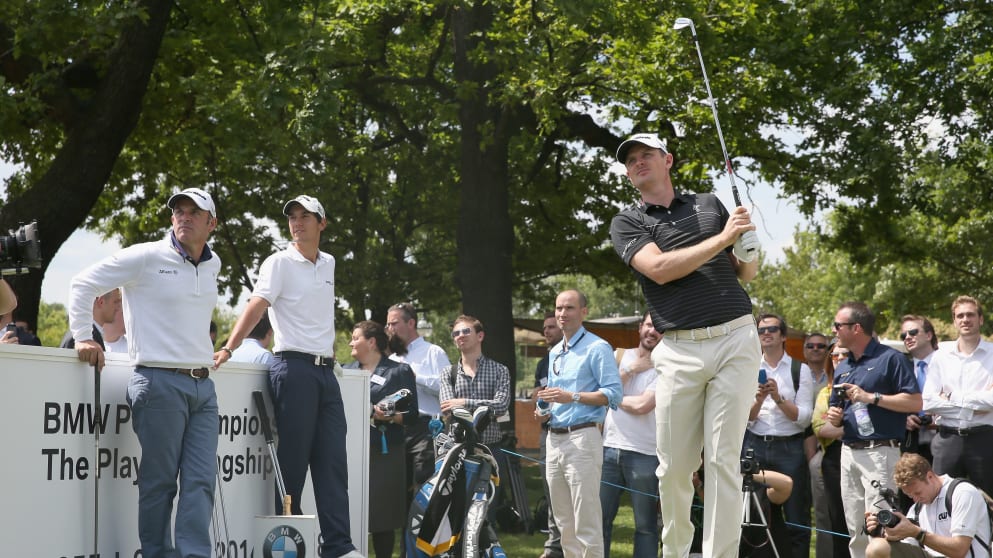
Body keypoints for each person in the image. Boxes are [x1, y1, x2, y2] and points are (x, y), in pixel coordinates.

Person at [608, 132, 762, 557]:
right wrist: (723, 238)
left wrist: (747, 245)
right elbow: (658, 269)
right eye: (631, 160)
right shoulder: (628, 222)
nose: (638, 162)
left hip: (735, 336)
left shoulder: (709, 204)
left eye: (647, 155)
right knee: (674, 469)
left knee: (723, 462)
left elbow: (743, 272)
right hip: (678, 347)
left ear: (667, 160)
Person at [68, 187, 221, 558]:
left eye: (193, 212)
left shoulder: (213, 264)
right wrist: (82, 336)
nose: (183, 216)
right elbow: (82, 282)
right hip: (157, 382)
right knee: (160, 483)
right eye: (178, 211)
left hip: (203, 387)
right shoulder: (146, 256)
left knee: (201, 481)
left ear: (211, 223)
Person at [214, 194, 361, 558]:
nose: (297, 223)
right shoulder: (278, 262)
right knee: (292, 465)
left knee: (332, 463)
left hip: (326, 372)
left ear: (322, 223)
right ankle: (286, 546)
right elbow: (257, 305)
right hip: (292, 369)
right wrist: (229, 347)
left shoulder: (328, 263)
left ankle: (339, 547)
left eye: (305, 217)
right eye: (292, 217)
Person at [826, 301, 922, 558]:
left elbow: (915, 402)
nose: (834, 330)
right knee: (855, 528)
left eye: (838, 325)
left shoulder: (891, 359)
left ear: (856, 328)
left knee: (880, 526)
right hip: (848, 451)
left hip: (880, 452)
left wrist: (871, 397)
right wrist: (835, 417)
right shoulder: (843, 366)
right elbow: (836, 415)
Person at [535, 289, 622, 558]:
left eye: (569, 308)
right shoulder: (554, 353)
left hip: (582, 438)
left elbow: (613, 394)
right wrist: (543, 409)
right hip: (554, 437)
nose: (563, 313)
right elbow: (553, 396)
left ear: (584, 312)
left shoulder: (598, 347)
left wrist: (571, 397)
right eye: (559, 308)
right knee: (564, 522)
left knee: (586, 520)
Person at [745, 313, 815, 558]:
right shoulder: (748, 367)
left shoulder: (800, 369)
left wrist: (778, 398)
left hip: (790, 449)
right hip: (755, 446)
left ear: (783, 335)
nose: (766, 333)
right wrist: (759, 400)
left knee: (796, 517)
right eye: (761, 329)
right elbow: (744, 418)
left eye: (772, 329)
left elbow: (805, 418)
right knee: (754, 516)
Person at [346, 320, 418, 558]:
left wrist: (385, 414)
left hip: (385, 452)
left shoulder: (399, 372)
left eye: (355, 338)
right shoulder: (345, 371)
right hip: (350, 451)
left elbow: (412, 416)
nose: (350, 342)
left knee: (383, 517)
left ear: (372, 342)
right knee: (350, 513)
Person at [439, 314, 512, 523]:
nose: (460, 336)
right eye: (456, 333)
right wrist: (481, 405)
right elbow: (447, 409)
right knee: (455, 512)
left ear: (480, 336)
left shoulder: (499, 370)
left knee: (487, 511)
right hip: (456, 452)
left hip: (490, 450)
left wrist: (463, 403)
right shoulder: (448, 373)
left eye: (465, 331)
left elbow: (501, 406)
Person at [600, 311, 661, 558]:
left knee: (645, 526)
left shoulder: (666, 366)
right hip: (609, 449)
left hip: (645, 454)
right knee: (600, 521)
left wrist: (612, 397)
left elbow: (642, 406)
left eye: (658, 328)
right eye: (648, 325)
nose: (652, 331)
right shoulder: (619, 355)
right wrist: (630, 371)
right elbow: (598, 392)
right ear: (640, 327)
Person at [923, 296, 993, 498]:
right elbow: (929, 401)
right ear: (954, 321)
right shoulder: (941, 356)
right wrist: (975, 404)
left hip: (985, 439)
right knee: (941, 500)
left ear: (980, 319)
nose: (965, 319)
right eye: (960, 315)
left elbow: (992, 402)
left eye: (970, 314)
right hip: (948, 439)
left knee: (989, 502)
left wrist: (951, 397)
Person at [386, 302, 452, 508]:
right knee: (400, 490)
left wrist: (415, 377)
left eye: (394, 323)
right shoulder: (392, 358)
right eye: (388, 324)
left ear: (411, 323)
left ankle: (426, 537)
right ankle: (406, 539)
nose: (390, 329)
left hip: (427, 430)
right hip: (397, 428)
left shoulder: (434, 353)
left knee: (426, 487)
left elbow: (447, 390)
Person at [864, 452, 992, 558]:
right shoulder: (917, 508)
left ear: (930, 476)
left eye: (917, 492)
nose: (915, 499)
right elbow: (907, 549)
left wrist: (918, 533)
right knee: (877, 548)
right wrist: (882, 532)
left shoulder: (962, 492)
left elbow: (959, 550)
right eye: (910, 496)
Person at [811, 342, 853, 557]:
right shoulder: (826, 393)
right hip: (834, 460)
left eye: (844, 354)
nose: (838, 358)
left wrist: (838, 425)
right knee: (838, 521)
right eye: (834, 355)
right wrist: (851, 428)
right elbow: (820, 429)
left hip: (866, 455)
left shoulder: (869, 387)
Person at [533, 312, 565, 558]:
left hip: (574, 430)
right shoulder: (543, 362)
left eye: (551, 327)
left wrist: (548, 394)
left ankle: (568, 545)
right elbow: (537, 395)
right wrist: (546, 393)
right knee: (550, 488)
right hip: (547, 431)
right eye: (545, 328)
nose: (547, 331)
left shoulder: (572, 356)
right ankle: (554, 546)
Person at [900, 315, 938, 463]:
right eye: (904, 335)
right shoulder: (901, 369)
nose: (908, 337)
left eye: (913, 332)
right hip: (912, 441)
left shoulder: (948, 363)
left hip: (945, 436)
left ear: (929, 335)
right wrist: (903, 419)